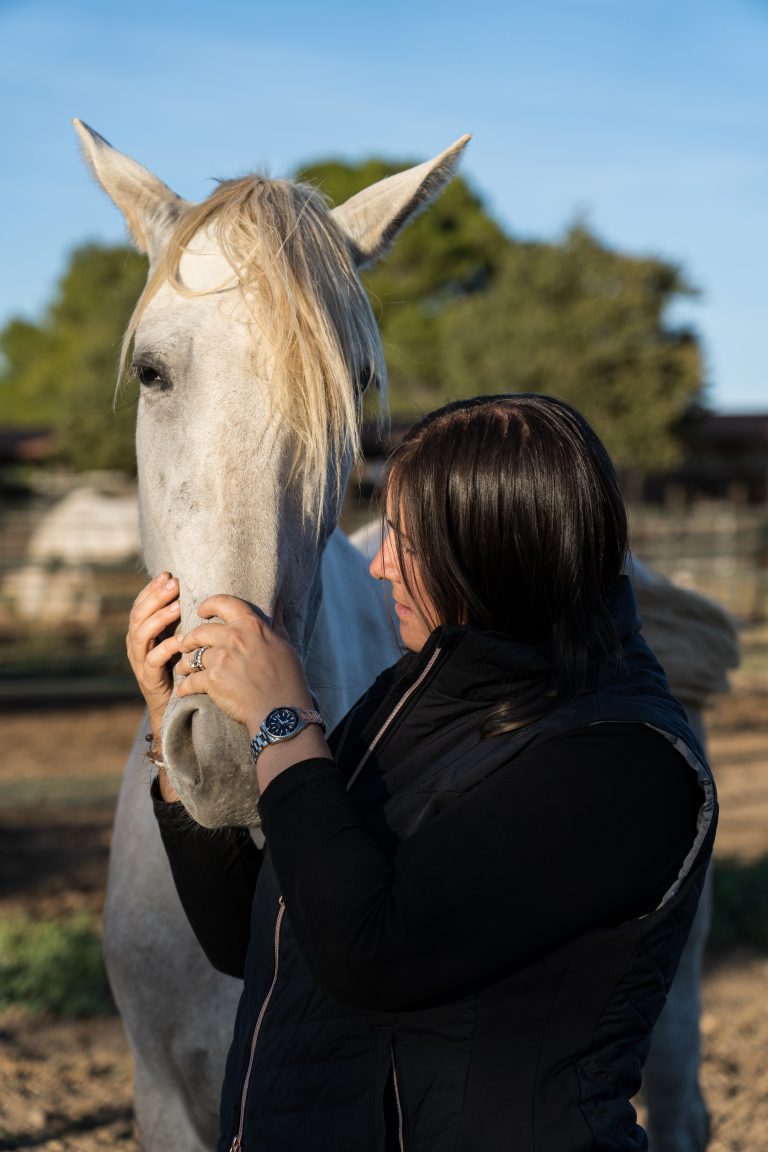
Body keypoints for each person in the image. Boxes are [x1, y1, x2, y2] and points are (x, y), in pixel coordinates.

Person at [128, 394, 716, 1152]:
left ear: (494, 549)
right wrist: (167, 727)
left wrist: (286, 717)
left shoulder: (623, 761)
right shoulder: (411, 701)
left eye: (405, 540)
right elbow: (256, 933)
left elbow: (371, 953)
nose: (377, 564)